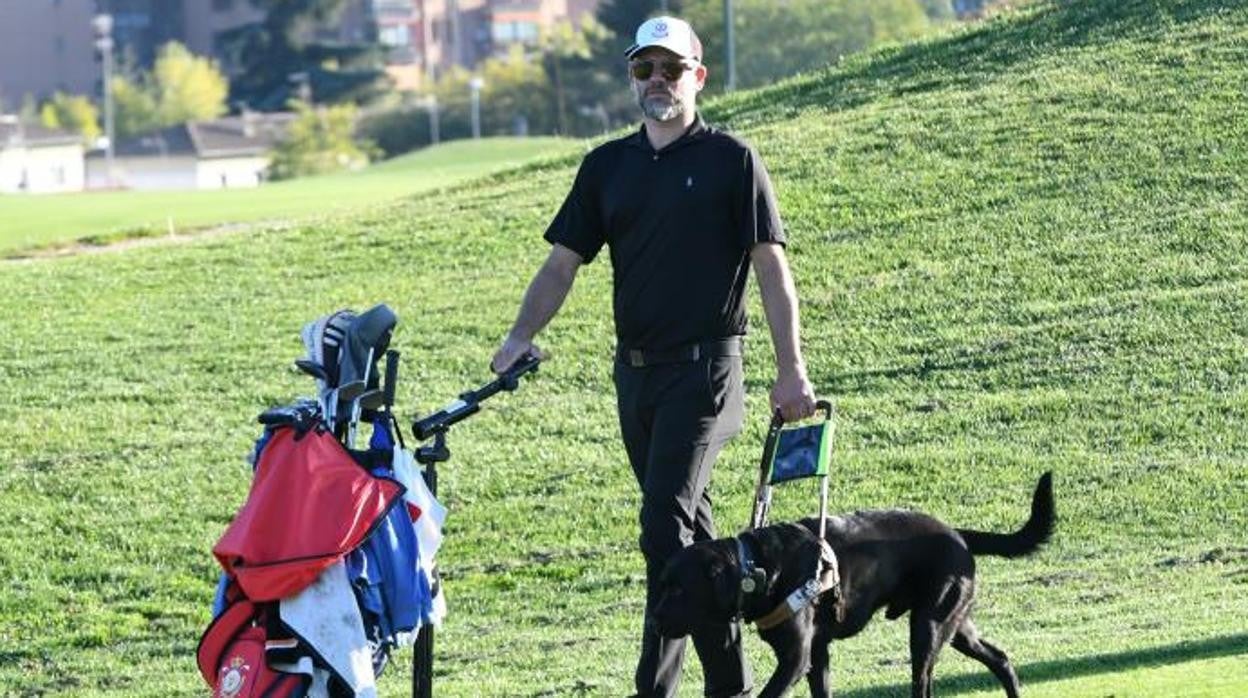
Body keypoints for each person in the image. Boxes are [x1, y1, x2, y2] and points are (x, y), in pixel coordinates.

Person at [491, 15, 816, 697]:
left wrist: (792, 370)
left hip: (707, 375)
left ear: (698, 76)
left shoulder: (732, 159)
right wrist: (519, 334)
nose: (658, 82)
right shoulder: (607, 167)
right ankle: (729, 687)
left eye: (672, 69)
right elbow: (561, 265)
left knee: (661, 523)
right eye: (645, 69)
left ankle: (654, 689)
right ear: (633, 78)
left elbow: (771, 270)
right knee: (693, 539)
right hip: (635, 379)